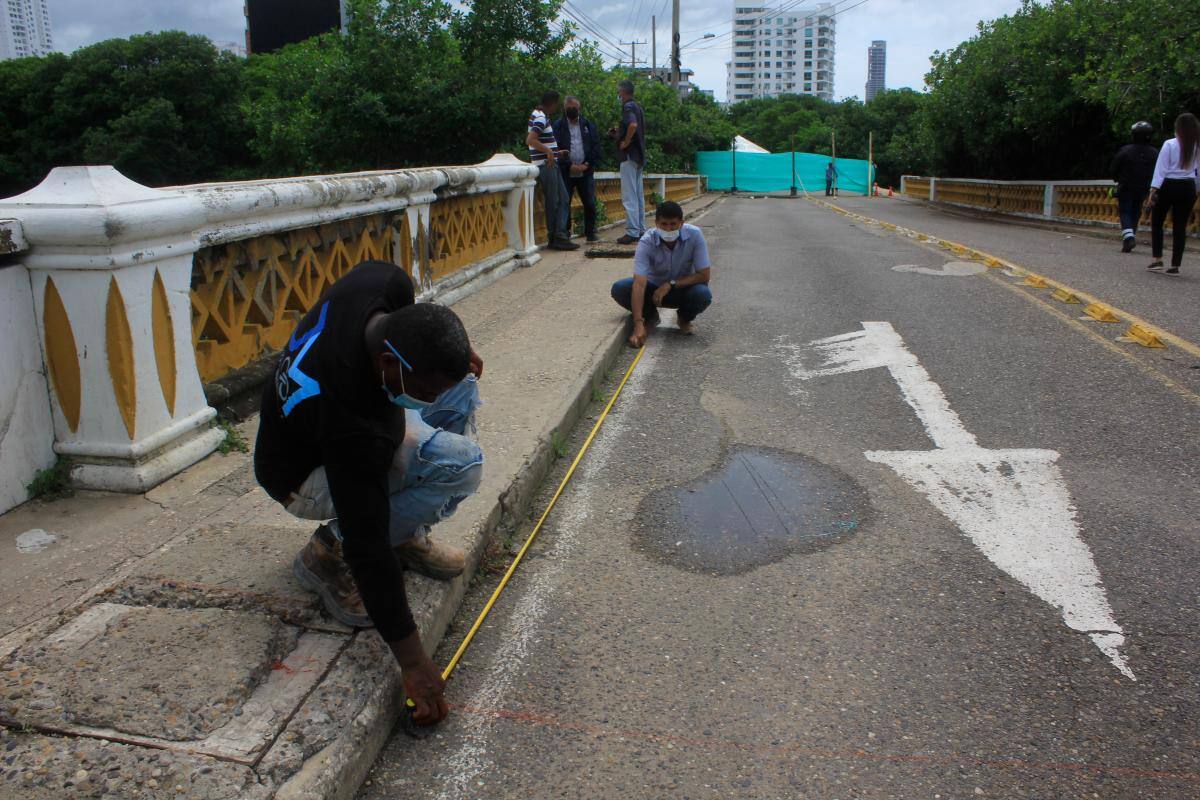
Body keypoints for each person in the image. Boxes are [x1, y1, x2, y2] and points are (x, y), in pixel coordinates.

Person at [254, 260, 486, 726]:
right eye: (425, 390)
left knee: (462, 388)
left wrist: (454, 360)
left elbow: (414, 324)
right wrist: (414, 661)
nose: (430, 397)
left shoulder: (379, 284)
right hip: (302, 476)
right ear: (387, 364)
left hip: (333, 430)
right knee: (461, 464)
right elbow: (369, 547)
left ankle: (405, 530)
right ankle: (327, 549)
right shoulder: (354, 423)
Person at [611, 201, 713, 347]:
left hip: (681, 290)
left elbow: (704, 275)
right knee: (620, 288)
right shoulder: (647, 241)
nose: (668, 229)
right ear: (656, 223)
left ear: (682, 223)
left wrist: (671, 284)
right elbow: (639, 283)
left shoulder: (695, 235)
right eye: (664, 224)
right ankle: (650, 316)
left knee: (702, 294)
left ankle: (684, 318)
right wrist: (638, 323)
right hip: (653, 291)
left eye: (673, 224)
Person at [1147, 112, 1200, 275]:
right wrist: (1197, 188)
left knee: (1157, 222)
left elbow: (1160, 170)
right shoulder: (1196, 146)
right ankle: (1175, 264)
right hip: (1188, 186)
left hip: (1168, 185)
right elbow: (1198, 172)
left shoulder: (1169, 144)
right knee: (1180, 226)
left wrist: (1153, 190)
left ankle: (1157, 259)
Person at [527, 90, 579, 252]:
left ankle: (558, 235)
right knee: (555, 201)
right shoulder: (541, 118)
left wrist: (556, 152)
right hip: (546, 165)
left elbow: (539, 140)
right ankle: (557, 237)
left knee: (562, 198)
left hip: (549, 162)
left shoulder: (536, 114)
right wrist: (549, 152)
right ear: (553, 104)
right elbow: (530, 140)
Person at [553, 96, 604, 243]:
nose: (572, 110)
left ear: (579, 108)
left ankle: (590, 233)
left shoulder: (587, 125)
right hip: (566, 171)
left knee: (589, 202)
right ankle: (566, 233)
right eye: (569, 108)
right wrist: (569, 165)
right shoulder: (558, 126)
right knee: (565, 202)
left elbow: (596, 147)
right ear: (564, 108)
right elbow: (555, 147)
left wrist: (586, 164)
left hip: (585, 170)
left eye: (574, 107)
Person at [1109, 121, 1158, 252]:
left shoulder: (1125, 150)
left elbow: (1114, 168)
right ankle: (1130, 237)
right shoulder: (1154, 153)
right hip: (1143, 188)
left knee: (1125, 211)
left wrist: (1116, 178)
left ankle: (1129, 239)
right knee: (1136, 212)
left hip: (1126, 186)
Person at [609, 80, 647, 245]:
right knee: (638, 195)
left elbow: (632, 125)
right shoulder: (638, 107)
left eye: (619, 92)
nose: (618, 95)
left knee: (629, 195)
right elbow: (633, 126)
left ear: (623, 92)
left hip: (629, 156)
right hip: (638, 156)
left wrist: (624, 141)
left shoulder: (628, 107)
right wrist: (620, 133)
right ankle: (640, 229)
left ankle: (632, 231)